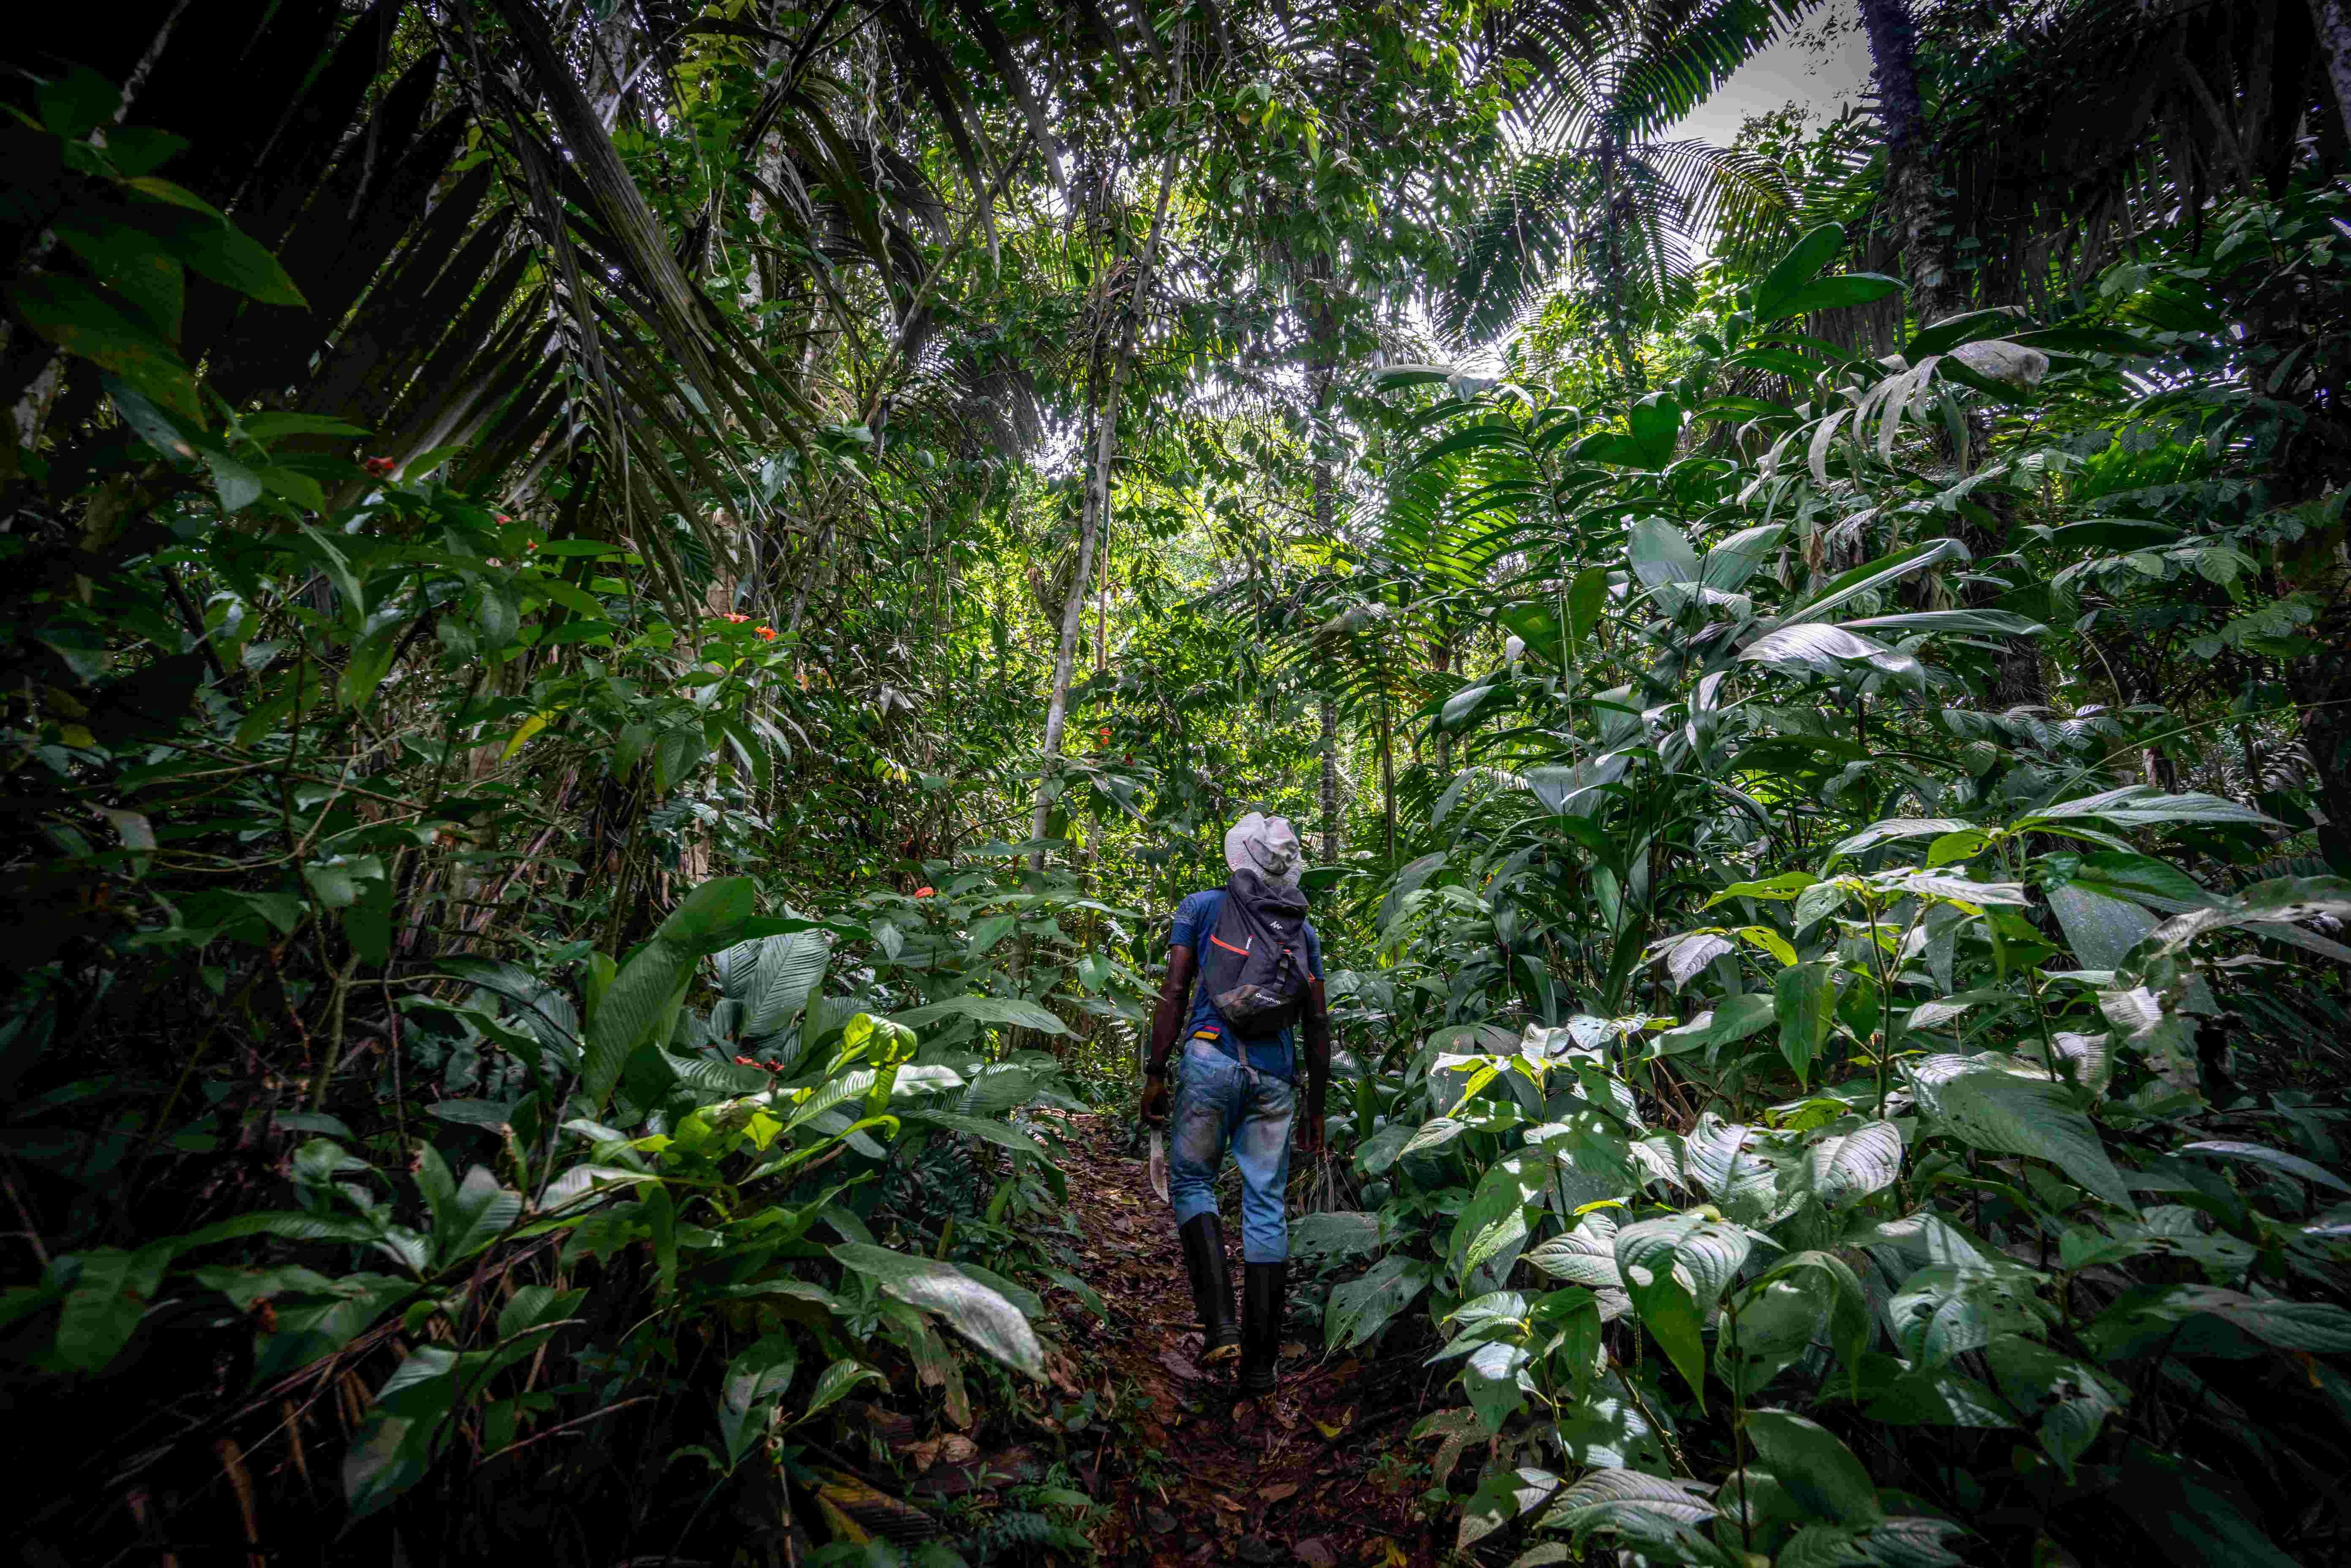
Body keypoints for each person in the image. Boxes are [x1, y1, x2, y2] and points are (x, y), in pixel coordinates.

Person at [1138, 812, 1333, 1395]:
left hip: (1209, 1060)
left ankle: (1221, 1325)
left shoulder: (1200, 907)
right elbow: (1318, 1022)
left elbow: (1175, 989)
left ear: (1237, 858)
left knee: (1193, 1180)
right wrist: (1316, 1109)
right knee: (1266, 1204)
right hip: (1275, 1079)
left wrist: (1154, 1070)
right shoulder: (1302, 930)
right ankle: (1259, 1367)